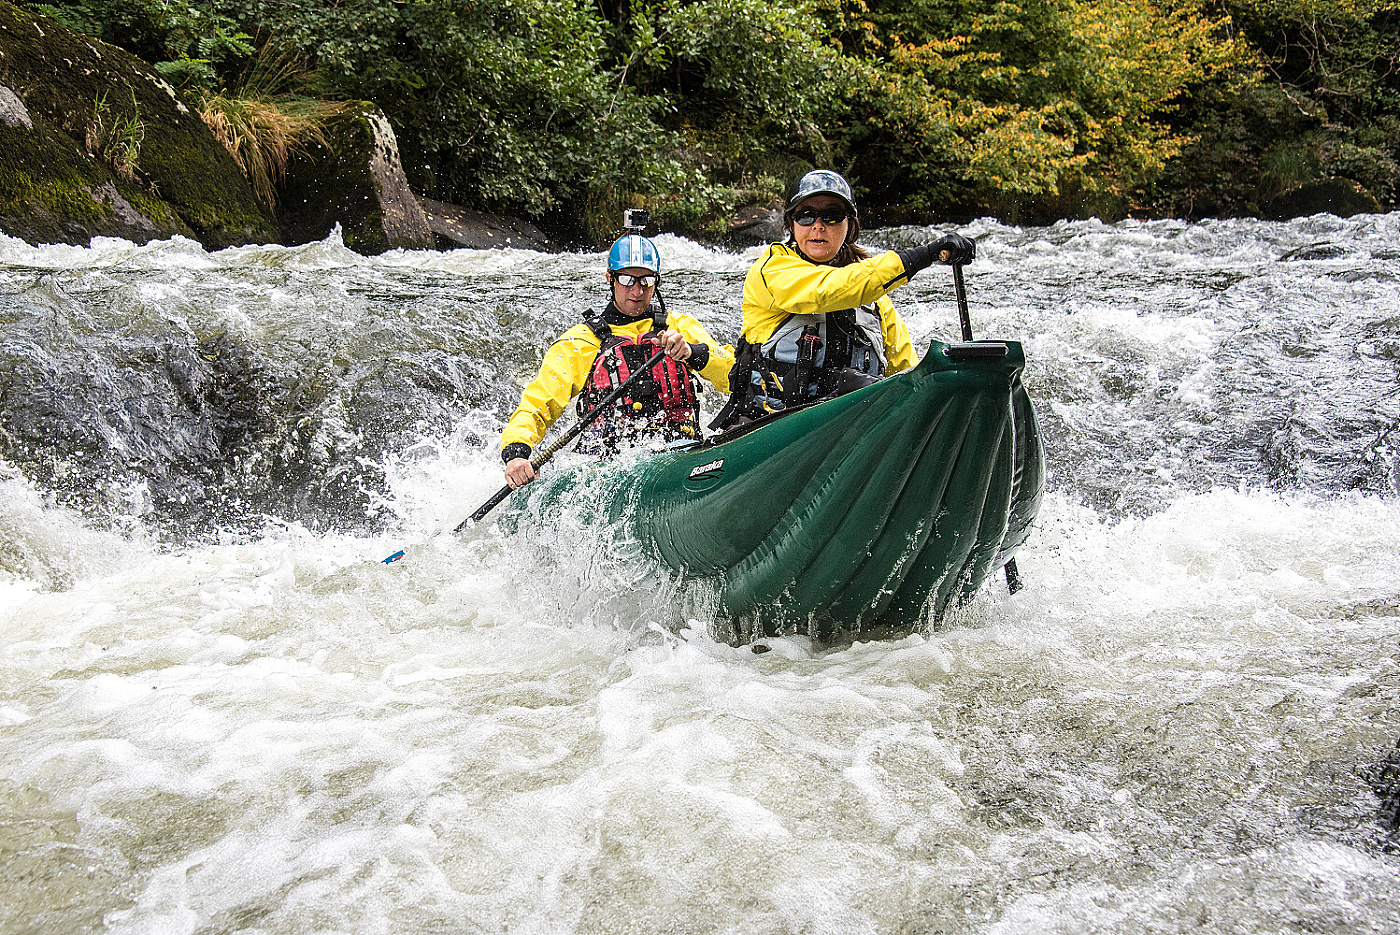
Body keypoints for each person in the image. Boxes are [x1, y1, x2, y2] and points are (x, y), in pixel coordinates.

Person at [713, 169, 975, 428]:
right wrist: (924, 255)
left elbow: (907, 373)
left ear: (849, 226)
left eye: (832, 216)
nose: (818, 225)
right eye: (805, 215)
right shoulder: (771, 271)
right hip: (769, 427)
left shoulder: (873, 301)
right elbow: (829, 289)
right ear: (791, 225)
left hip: (849, 429)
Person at [499, 232, 735, 488]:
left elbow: (734, 376)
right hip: (610, 471)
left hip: (683, 457)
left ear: (656, 282)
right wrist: (516, 454)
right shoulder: (581, 341)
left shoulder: (678, 328)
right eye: (627, 279)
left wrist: (691, 352)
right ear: (610, 279)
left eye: (646, 280)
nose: (637, 290)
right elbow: (537, 404)